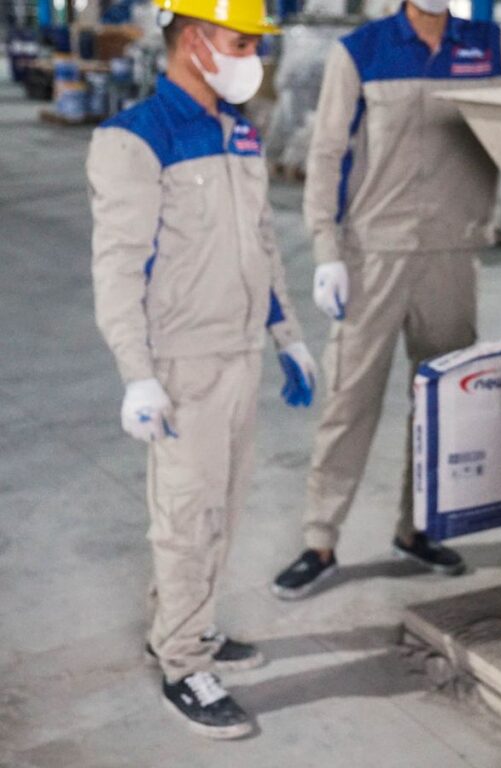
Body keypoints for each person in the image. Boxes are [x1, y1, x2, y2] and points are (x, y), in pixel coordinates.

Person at [271, 0, 501, 598]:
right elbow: (327, 154)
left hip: (452, 256)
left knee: (440, 404)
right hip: (373, 256)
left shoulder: (489, 47)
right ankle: (320, 539)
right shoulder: (361, 51)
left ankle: (416, 530)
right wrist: (326, 251)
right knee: (350, 399)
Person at [87, 0, 316, 739]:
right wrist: (137, 374)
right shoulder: (135, 139)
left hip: (241, 351)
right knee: (186, 520)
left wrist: (288, 334)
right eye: (241, 40)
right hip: (182, 364)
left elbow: (261, 244)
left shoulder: (237, 129)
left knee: (222, 510)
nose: (254, 55)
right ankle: (183, 664)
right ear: (193, 40)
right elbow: (118, 269)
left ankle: (191, 627)